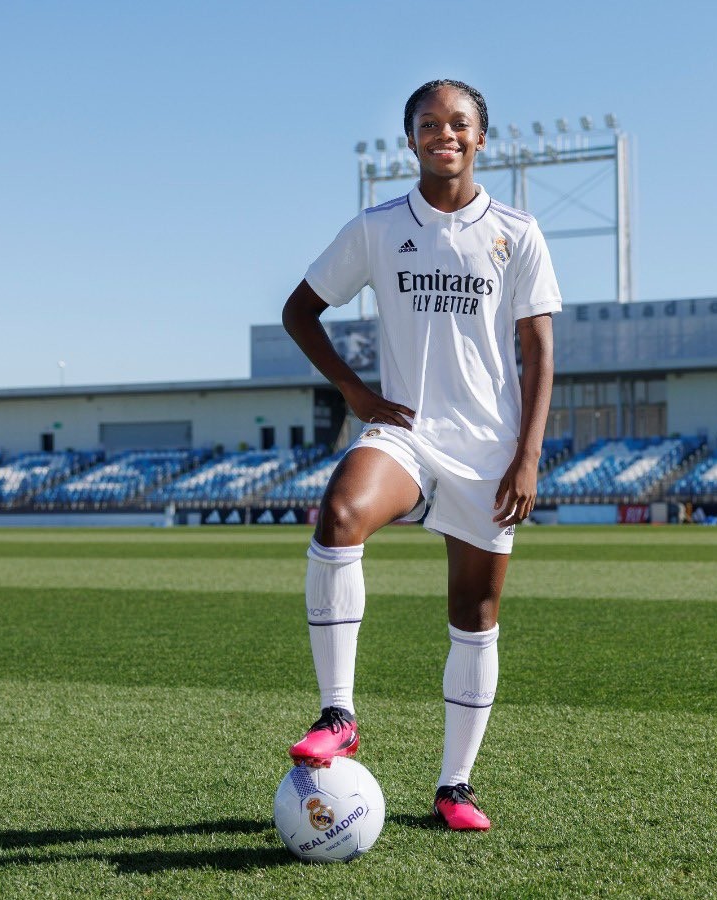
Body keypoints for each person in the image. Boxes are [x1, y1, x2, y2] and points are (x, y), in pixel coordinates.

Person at [280, 79, 560, 832]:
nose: (445, 133)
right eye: (429, 123)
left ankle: (454, 787)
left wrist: (528, 454)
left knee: (475, 616)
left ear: (480, 137)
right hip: (404, 432)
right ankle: (338, 713)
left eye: (458, 123)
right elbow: (299, 311)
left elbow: (538, 351)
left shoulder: (516, 231)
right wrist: (355, 394)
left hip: (489, 451)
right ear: (409, 140)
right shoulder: (375, 228)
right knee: (339, 512)